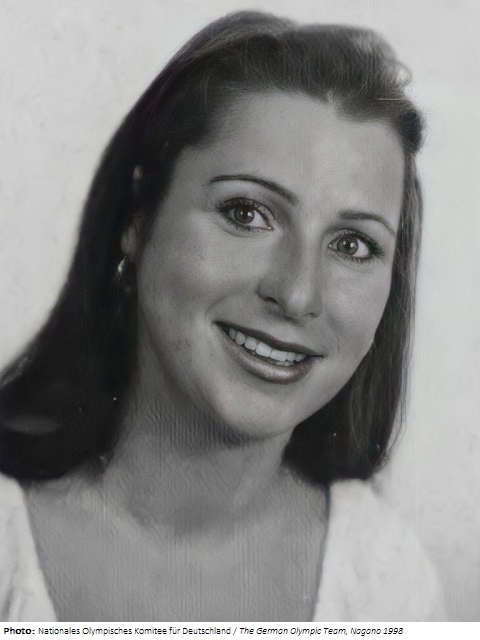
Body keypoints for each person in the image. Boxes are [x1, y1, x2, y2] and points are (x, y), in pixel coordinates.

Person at [0, 11, 444, 621]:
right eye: (246, 213)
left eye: (352, 245)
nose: (297, 293)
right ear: (137, 218)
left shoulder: (388, 582)